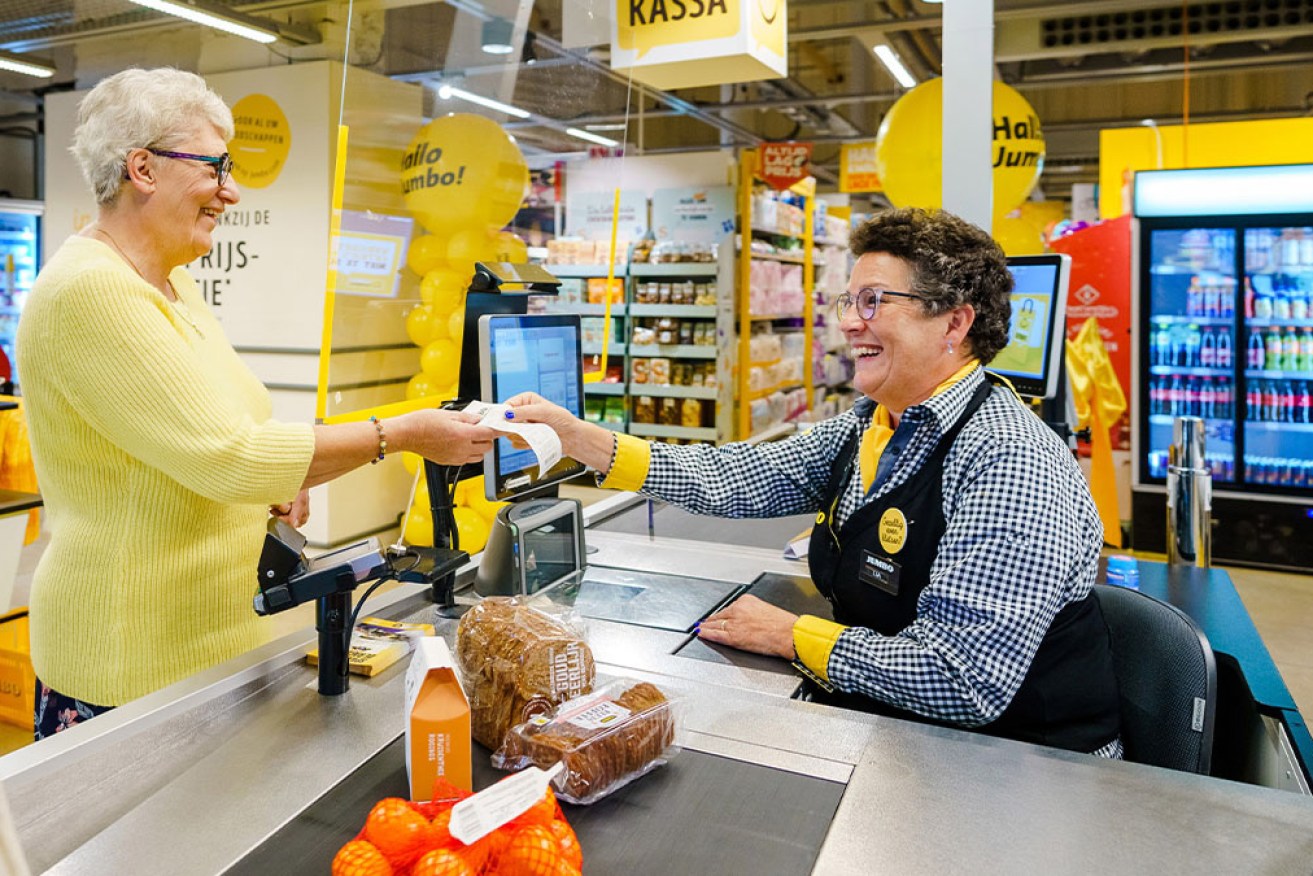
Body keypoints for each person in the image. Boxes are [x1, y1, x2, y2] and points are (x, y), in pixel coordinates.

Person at [508, 207, 1122, 757]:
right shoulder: (873, 427)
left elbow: (960, 678)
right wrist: (580, 439)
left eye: (874, 301)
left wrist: (792, 634)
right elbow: (734, 477)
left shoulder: (1009, 459)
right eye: (849, 302)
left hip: (1026, 769)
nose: (851, 324)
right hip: (913, 739)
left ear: (955, 324)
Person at [16, 68, 497, 738]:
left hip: (209, 643)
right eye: (215, 168)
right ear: (143, 169)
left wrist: (281, 482)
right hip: (132, 659)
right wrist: (402, 433)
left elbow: (229, 434)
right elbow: (231, 457)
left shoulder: (170, 288)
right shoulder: (89, 292)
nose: (231, 190)